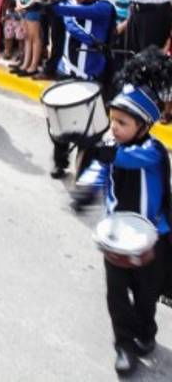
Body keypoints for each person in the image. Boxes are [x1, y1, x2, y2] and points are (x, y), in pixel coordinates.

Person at [75, 50, 171, 375]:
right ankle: (124, 344)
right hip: (116, 237)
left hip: (151, 240)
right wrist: (85, 186)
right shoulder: (112, 147)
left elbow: (125, 159)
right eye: (112, 120)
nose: (114, 128)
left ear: (144, 125)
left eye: (122, 123)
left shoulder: (153, 151)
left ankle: (146, 330)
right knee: (116, 296)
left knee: (146, 296)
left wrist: (104, 151)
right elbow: (101, 170)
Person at [46, 0, 117, 179]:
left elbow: (74, 20)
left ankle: (86, 171)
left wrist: (59, 11)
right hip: (67, 73)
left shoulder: (103, 9)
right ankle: (60, 161)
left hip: (92, 78)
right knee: (59, 124)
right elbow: (67, 11)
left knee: (91, 132)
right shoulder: (70, 4)